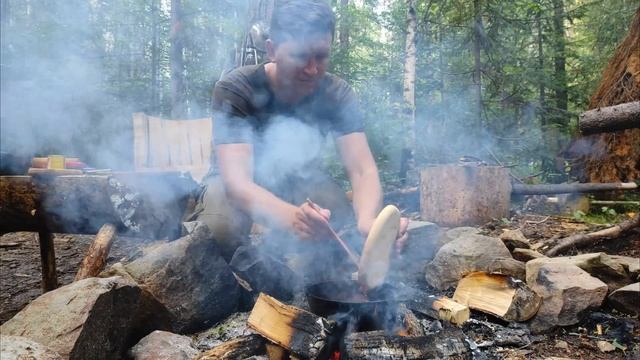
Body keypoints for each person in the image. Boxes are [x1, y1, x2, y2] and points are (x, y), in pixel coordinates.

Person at [189, 0, 408, 277]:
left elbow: (363, 170)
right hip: (235, 185)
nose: (312, 69)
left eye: (321, 56)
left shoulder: (336, 93)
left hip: (301, 182)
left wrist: (369, 224)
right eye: (300, 56)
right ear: (272, 50)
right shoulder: (237, 88)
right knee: (218, 231)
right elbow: (237, 184)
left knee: (342, 222)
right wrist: (294, 219)